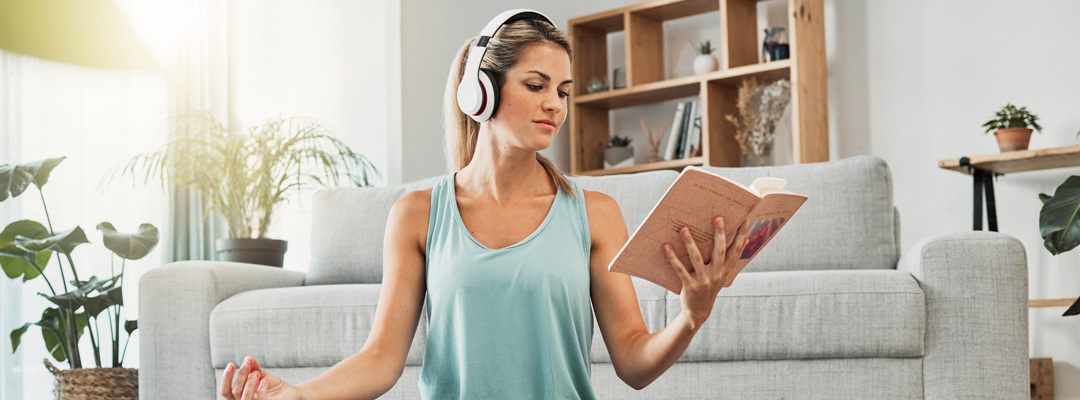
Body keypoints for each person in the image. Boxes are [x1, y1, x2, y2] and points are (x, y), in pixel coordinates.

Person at [220, 9, 750, 400]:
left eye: (563, 91)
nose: (554, 105)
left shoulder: (597, 213)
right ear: (481, 93)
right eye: (537, 84)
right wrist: (297, 395)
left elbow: (634, 362)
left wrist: (690, 316)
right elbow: (380, 360)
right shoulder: (417, 214)